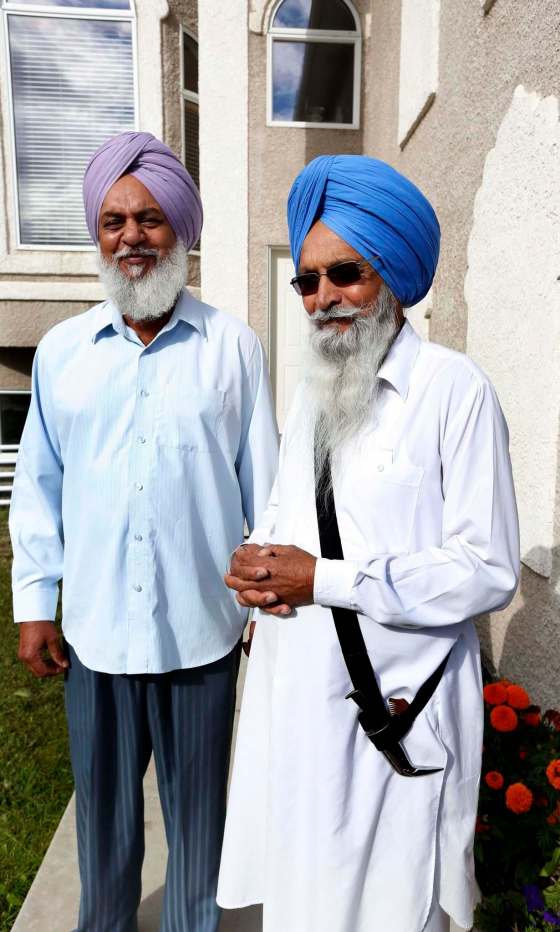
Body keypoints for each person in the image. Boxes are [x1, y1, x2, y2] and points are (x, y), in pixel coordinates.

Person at [217, 155, 520, 932]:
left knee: (387, 909)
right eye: (307, 281)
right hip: (298, 716)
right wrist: (256, 567)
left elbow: (486, 568)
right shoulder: (314, 400)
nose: (323, 299)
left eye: (343, 273)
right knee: (304, 904)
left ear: (388, 271)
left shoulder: (456, 392)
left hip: (392, 723)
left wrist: (326, 581)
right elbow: (287, 521)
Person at [10, 131, 278, 932]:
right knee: (105, 832)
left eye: (152, 219)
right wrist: (36, 602)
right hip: (95, 637)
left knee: (200, 832)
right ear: (98, 233)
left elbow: (262, 490)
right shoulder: (62, 354)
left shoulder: (232, 348)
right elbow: (38, 488)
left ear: (183, 233)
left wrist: (267, 612)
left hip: (201, 639)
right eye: (114, 220)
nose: (132, 237)